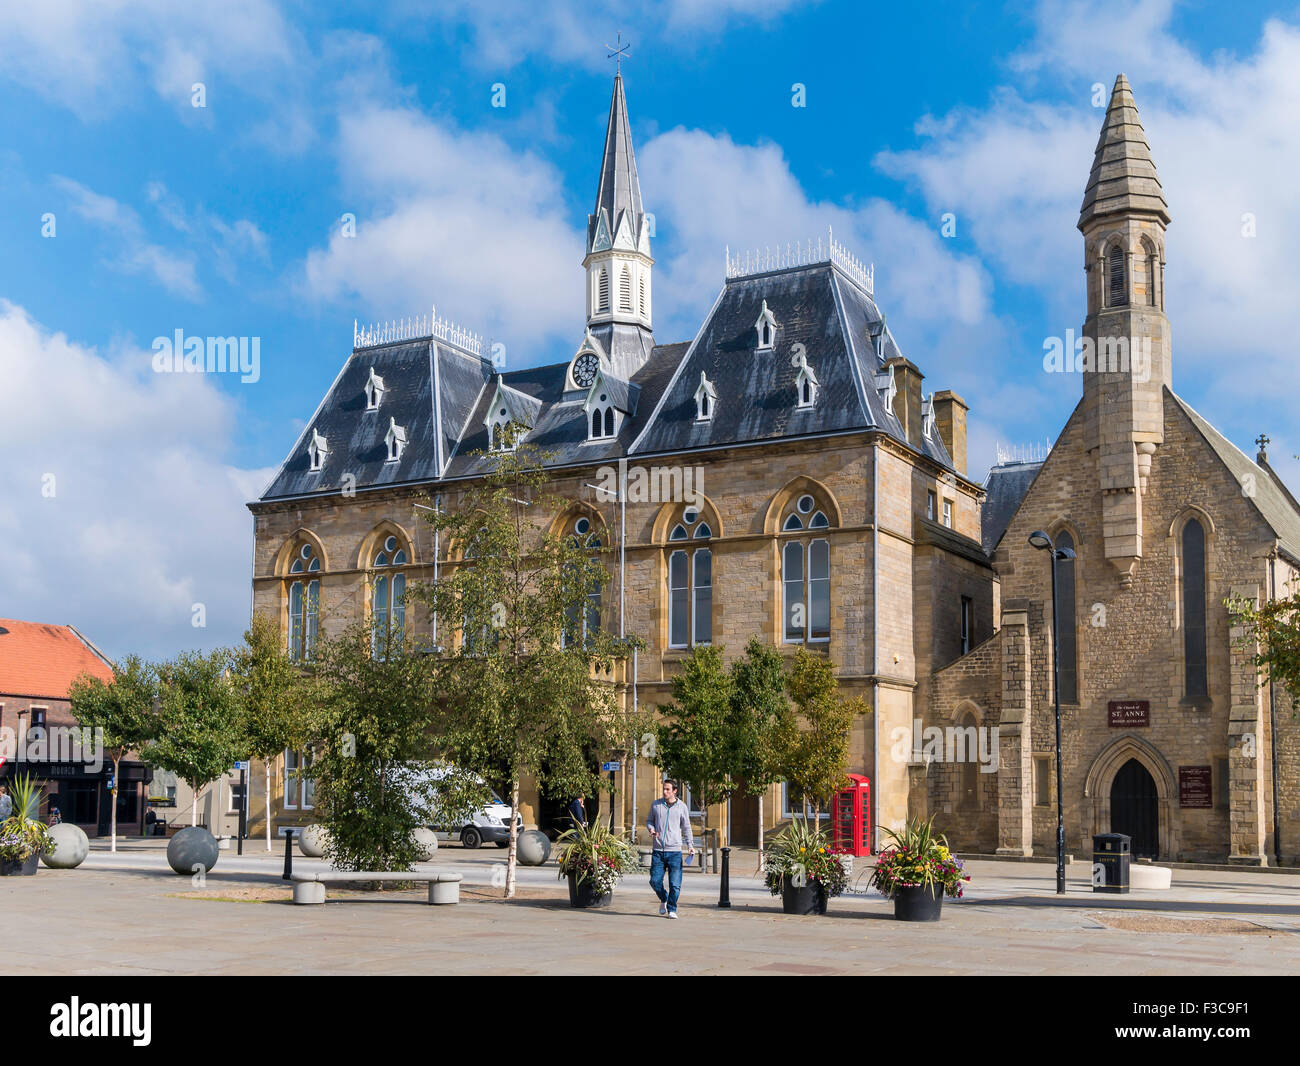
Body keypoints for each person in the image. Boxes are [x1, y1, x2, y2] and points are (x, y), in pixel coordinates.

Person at [645, 779, 695, 919]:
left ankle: (672, 909)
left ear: (674, 791)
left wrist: (690, 845)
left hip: (674, 852)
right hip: (658, 851)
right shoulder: (656, 805)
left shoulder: (682, 807)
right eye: (664, 789)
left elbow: (686, 827)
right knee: (654, 881)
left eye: (668, 789)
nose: (665, 792)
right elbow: (649, 821)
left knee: (675, 884)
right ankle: (664, 898)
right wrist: (652, 829)